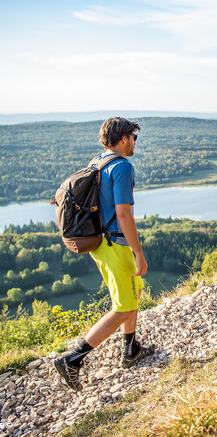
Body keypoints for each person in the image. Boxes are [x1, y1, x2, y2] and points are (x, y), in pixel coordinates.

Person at [54, 117, 155, 391]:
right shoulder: (121, 167)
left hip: (100, 242)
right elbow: (123, 213)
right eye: (134, 138)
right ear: (123, 138)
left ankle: (130, 349)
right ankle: (73, 360)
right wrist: (138, 251)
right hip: (116, 244)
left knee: (131, 296)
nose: (135, 143)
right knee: (123, 306)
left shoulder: (98, 161)